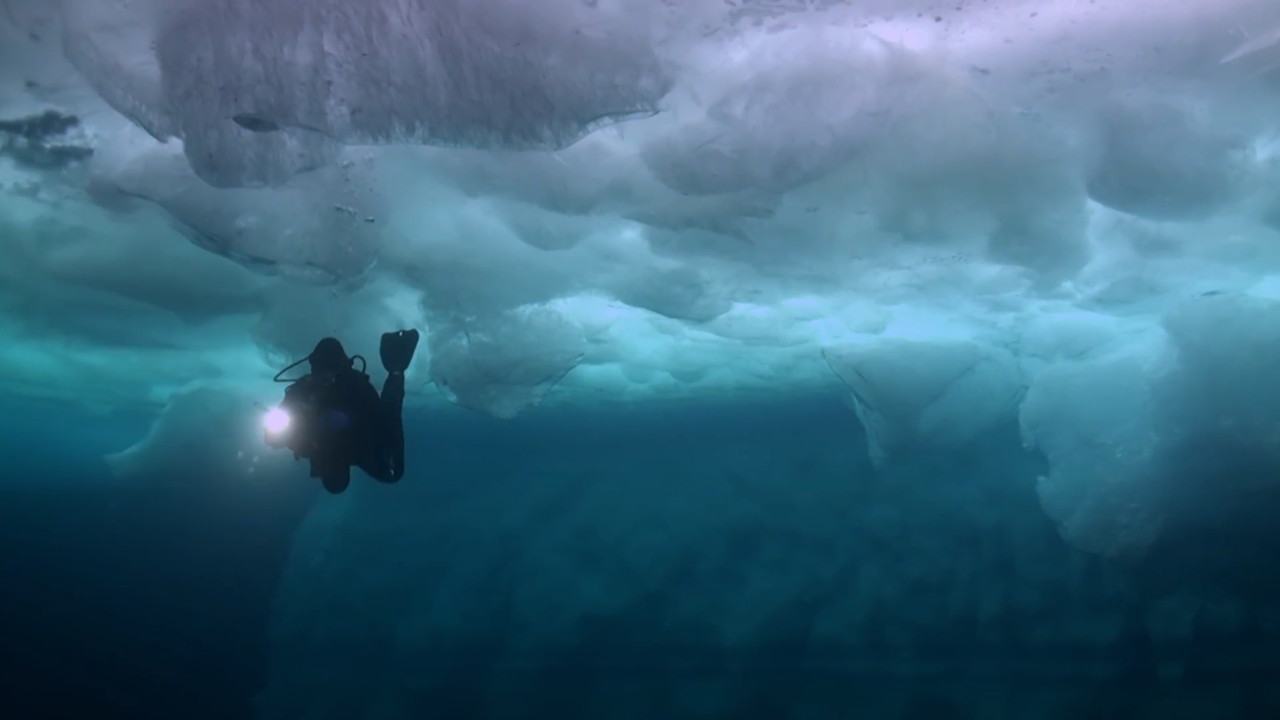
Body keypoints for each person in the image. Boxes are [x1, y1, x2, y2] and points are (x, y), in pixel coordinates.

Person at [264, 329, 420, 494]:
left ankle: (396, 371)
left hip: (357, 436)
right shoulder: (358, 449)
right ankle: (396, 371)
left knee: (389, 452)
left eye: (329, 374)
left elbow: (274, 437)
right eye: (322, 374)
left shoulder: (351, 387)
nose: (325, 380)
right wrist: (396, 375)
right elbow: (388, 418)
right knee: (390, 458)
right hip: (360, 442)